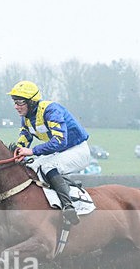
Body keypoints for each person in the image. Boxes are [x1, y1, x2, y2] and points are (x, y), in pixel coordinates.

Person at [9, 80, 91, 225]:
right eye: (14, 102)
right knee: (31, 166)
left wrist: (32, 151)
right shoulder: (26, 119)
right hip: (59, 152)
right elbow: (24, 139)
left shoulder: (51, 111)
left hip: (77, 150)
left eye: (20, 102)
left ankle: (68, 206)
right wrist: (17, 152)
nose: (16, 106)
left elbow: (60, 141)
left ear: (32, 102)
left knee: (47, 167)